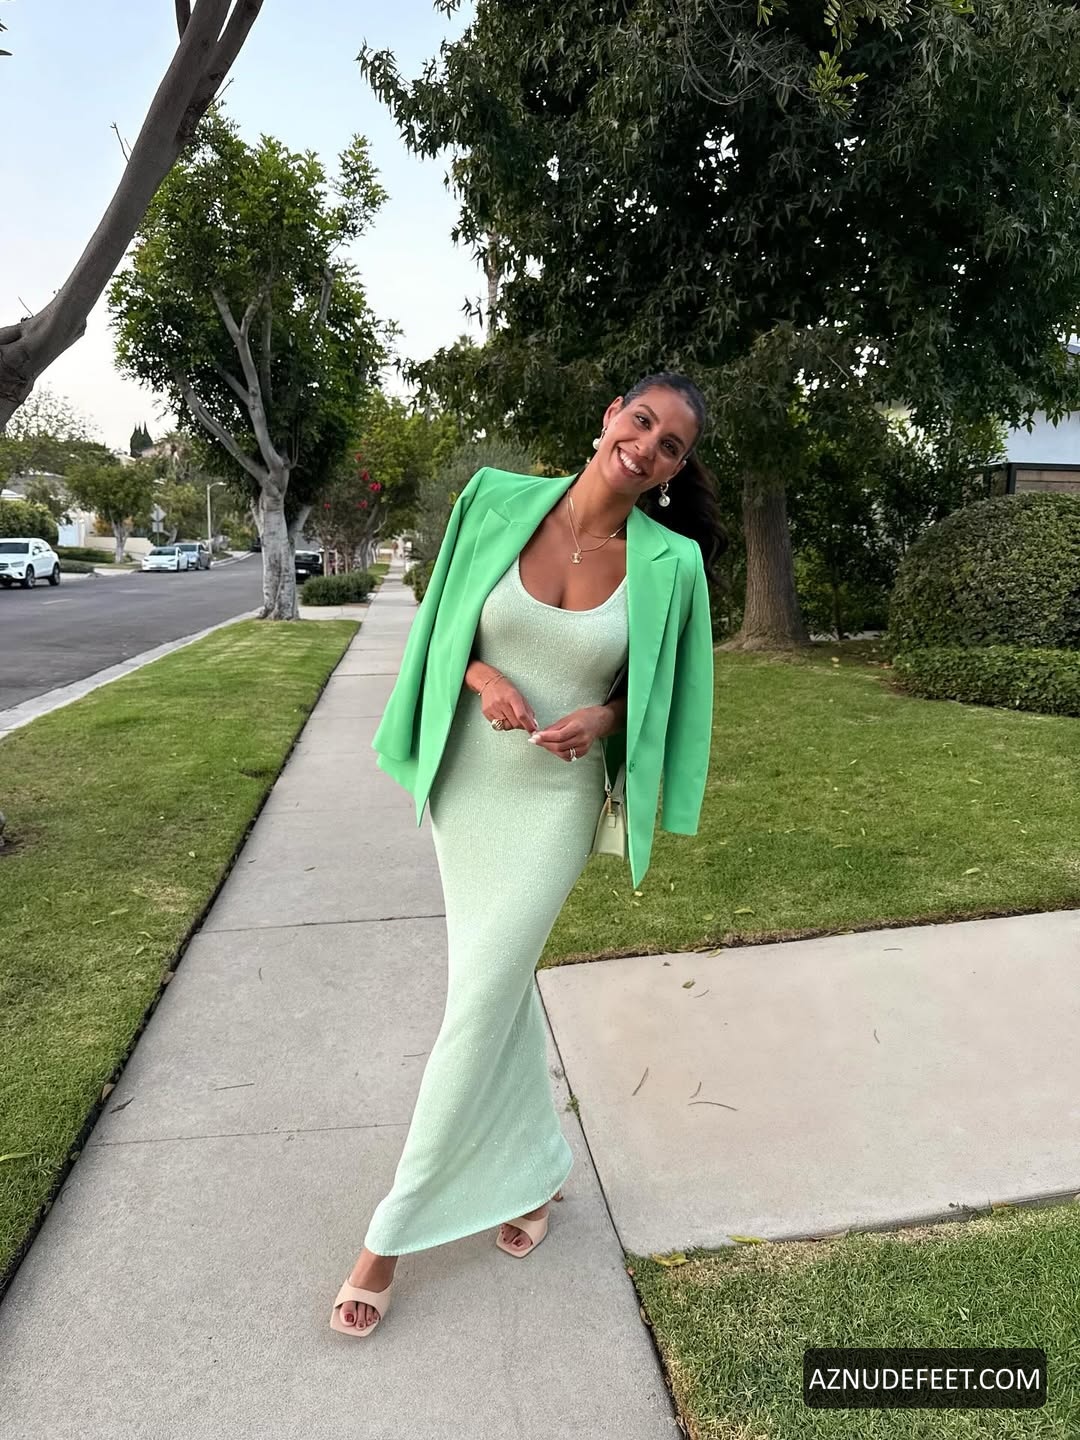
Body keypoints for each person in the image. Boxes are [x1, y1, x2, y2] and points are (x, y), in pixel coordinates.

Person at [330, 372, 725, 1337]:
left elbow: (666, 691)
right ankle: (539, 1172)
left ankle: (387, 1239)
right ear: (611, 417)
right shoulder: (495, 500)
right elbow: (442, 628)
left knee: (476, 1003)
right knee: (494, 996)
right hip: (468, 786)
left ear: (674, 471)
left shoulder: (672, 563)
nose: (648, 446)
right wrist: (484, 679)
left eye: (671, 445)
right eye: (642, 421)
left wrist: (603, 718)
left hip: (553, 803)